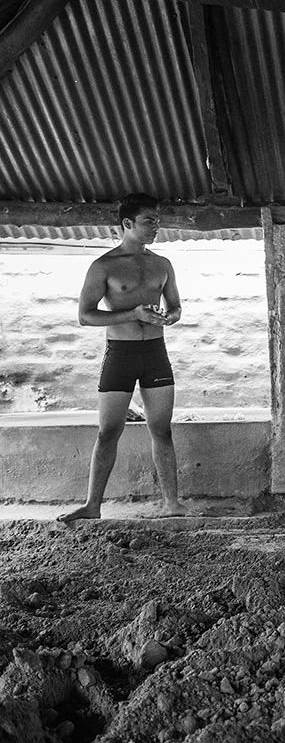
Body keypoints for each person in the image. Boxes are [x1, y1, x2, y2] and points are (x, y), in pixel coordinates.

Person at [58, 194, 186, 522]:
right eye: (148, 222)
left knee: (162, 429)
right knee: (108, 431)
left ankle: (172, 504)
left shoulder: (163, 265)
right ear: (127, 224)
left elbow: (175, 306)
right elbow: (85, 316)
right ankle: (92, 507)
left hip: (156, 353)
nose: (156, 227)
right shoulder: (104, 266)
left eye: (157, 221)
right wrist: (133, 314)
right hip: (120, 355)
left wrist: (170, 317)